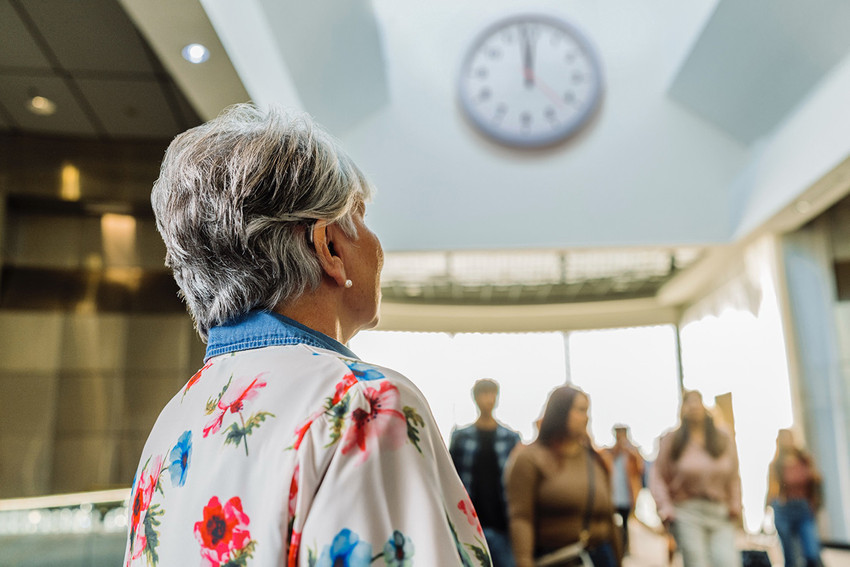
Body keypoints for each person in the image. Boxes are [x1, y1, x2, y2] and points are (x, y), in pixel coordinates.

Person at [123, 104, 492, 566]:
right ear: (328, 247)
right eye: (362, 216)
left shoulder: (175, 421)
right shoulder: (362, 403)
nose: (377, 244)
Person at [505, 385, 620, 567]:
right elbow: (521, 518)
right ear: (561, 412)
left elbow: (609, 519)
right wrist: (524, 562)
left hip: (601, 556)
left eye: (587, 411)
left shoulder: (595, 460)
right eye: (580, 410)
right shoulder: (530, 459)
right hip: (560, 559)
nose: (586, 417)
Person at [649, 390, 742, 567]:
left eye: (697, 401)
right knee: (697, 562)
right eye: (688, 402)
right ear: (682, 408)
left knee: (727, 561)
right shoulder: (672, 439)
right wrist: (665, 506)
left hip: (720, 511)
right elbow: (657, 476)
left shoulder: (722, 437)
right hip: (687, 511)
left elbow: (733, 475)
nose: (693, 406)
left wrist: (735, 503)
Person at [450, 379, 522, 567]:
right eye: (484, 394)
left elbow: (517, 483)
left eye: (492, 394)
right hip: (470, 524)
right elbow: (452, 479)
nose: (488, 399)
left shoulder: (510, 438)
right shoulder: (461, 438)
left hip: (502, 524)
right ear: (475, 398)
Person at [767, 429, 823, 567]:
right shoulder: (776, 465)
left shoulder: (805, 460)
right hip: (784, 509)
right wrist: (767, 508)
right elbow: (772, 490)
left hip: (803, 508)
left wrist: (816, 503)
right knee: (791, 557)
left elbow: (816, 482)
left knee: (812, 553)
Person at [601, 424, 644, 555]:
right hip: (612, 495)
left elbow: (640, 469)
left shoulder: (632, 453)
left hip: (627, 495)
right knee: (612, 524)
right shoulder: (610, 453)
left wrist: (629, 451)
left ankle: (624, 548)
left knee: (625, 524)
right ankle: (616, 547)